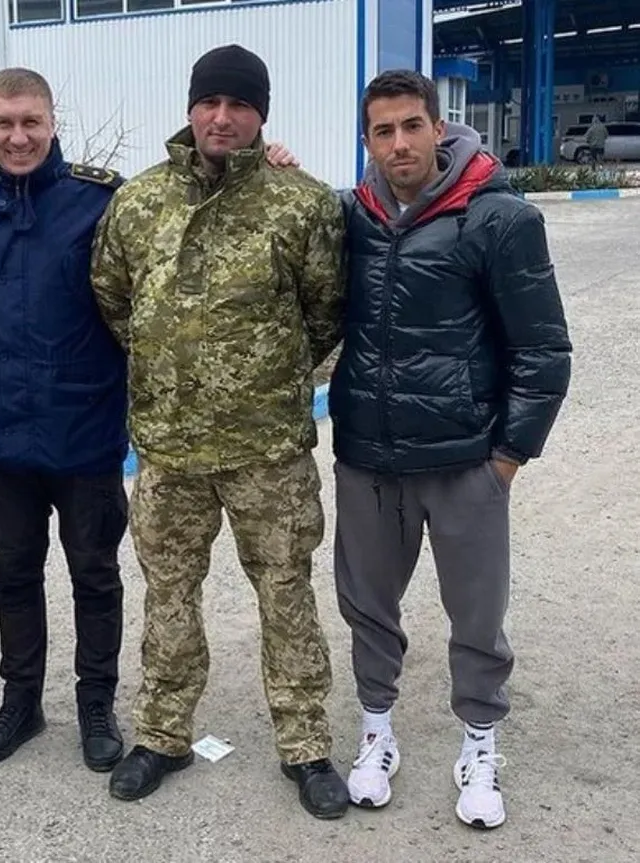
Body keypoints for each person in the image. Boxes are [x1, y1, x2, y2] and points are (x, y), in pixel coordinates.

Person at [90, 44, 350, 819]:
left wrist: (265, 376)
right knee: (169, 596)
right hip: (169, 450)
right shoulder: (138, 202)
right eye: (210, 102)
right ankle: (163, 733)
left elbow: (326, 309)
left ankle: (305, 746)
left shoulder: (300, 203)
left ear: (261, 113)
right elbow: (113, 296)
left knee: (286, 594)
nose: (223, 117)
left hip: (266, 450)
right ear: (191, 107)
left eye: (240, 104)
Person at [330, 69, 572, 828]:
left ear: (440, 128)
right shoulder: (352, 217)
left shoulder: (500, 218)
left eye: (411, 126)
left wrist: (507, 458)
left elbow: (544, 351)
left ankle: (479, 742)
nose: (398, 143)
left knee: (475, 614)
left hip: (468, 459)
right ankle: (377, 733)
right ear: (366, 140)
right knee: (368, 606)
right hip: (370, 458)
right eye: (382, 130)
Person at [0, 68, 132, 773]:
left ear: (53, 122)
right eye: (3, 123)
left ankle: (96, 705)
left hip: (84, 432)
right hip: (1, 435)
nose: (18, 136)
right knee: (13, 573)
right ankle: (21, 701)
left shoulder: (102, 201)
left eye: (31, 122)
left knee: (94, 574)